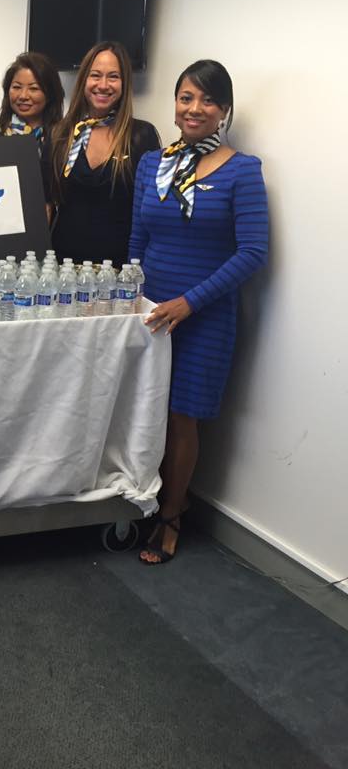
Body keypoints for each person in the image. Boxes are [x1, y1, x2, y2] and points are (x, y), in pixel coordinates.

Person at [129, 59, 269, 564]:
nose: (195, 108)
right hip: (150, 311)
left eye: (208, 100)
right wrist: (131, 294)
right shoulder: (152, 165)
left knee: (182, 417)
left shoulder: (242, 171)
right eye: (186, 97)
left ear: (224, 110)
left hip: (203, 315)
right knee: (145, 408)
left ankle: (171, 514)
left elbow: (253, 252)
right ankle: (143, 496)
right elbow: (138, 238)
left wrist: (190, 302)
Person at [43, 41, 160, 265]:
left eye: (113, 77)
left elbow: (150, 211)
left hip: (119, 269)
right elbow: (46, 205)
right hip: (63, 268)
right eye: (95, 75)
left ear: (124, 83)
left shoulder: (141, 136)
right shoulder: (60, 134)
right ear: (83, 80)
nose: (103, 85)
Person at [0, 51, 64, 155]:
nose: (23, 96)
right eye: (16, 87)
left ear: (50, 94)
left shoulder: (63, 138)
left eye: (33, 88)